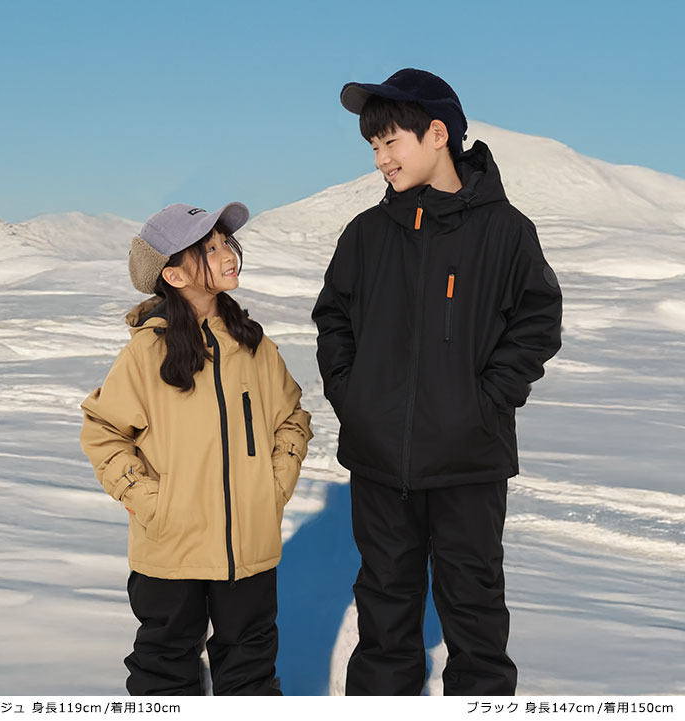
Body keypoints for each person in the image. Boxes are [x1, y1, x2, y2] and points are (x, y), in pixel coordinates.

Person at [312, 68, 562, 696]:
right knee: (384, 618)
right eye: (374, 146)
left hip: (469, 461)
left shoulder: (506, 231)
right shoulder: (366, 234)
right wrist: (356, 398)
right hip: (379, 461)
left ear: (438, 134)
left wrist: (486, 402)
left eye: (390, 142)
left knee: (475, 620)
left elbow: (538, 322)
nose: (380, 159)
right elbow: (333, 319)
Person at [80, 202, 312, 696]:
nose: (227, 254)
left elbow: (292, 418)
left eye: (226, 242)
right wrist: (153, 503)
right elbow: (103, 431)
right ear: (174, 274)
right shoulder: (147, 352)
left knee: (250, 674)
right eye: (208, 248)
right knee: (164, 672)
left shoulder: (253, 345)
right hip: (172, 548)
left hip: (249, 548)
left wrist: (272, 487)